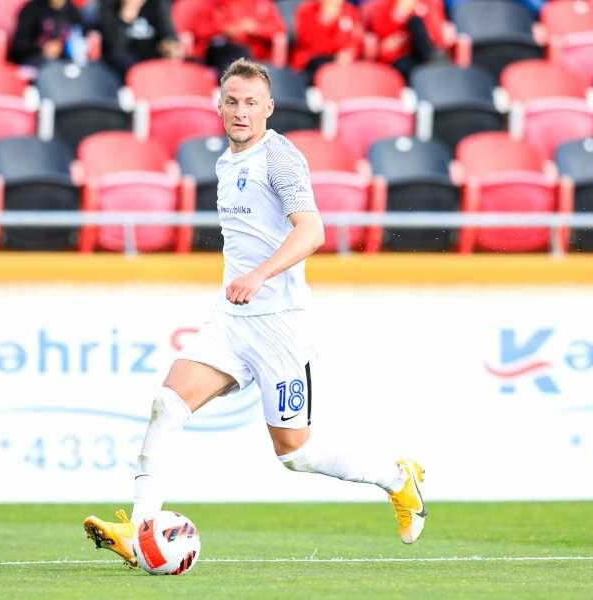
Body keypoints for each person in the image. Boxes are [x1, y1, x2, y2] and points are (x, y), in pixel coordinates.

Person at [82, 58, 426, 568]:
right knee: (167, 405)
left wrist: (259, 275)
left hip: (279, 324)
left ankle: (397, 478)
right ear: (219, 107)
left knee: (296, 454)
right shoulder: (226, 162)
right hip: (232, 321)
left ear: (269, 108)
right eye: (232, 102)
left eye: (250, 103)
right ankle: (139, 528)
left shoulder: (279, 157)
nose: (240, 111)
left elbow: (312, 231)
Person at [99, 0, 181, 78]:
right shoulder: (110, 4)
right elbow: (114, 47)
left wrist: (170, 47)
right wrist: (129, 11)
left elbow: (169, 36)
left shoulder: (158, 3)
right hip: (120, 67)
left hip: (151, 63)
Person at [290, 0, 363, 78]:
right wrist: (327, 20)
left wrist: (349, 53)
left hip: (341, 62)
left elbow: (356, 41)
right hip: (311, 61)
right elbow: (310, 43)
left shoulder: (350, 11)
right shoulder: (306, 10)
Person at [11, 0, 89, 66]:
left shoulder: (74, 12)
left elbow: (80, 42)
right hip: (33, 63)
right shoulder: (33, 8)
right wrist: (43, 48)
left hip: (63, 65)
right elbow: (19, 43)